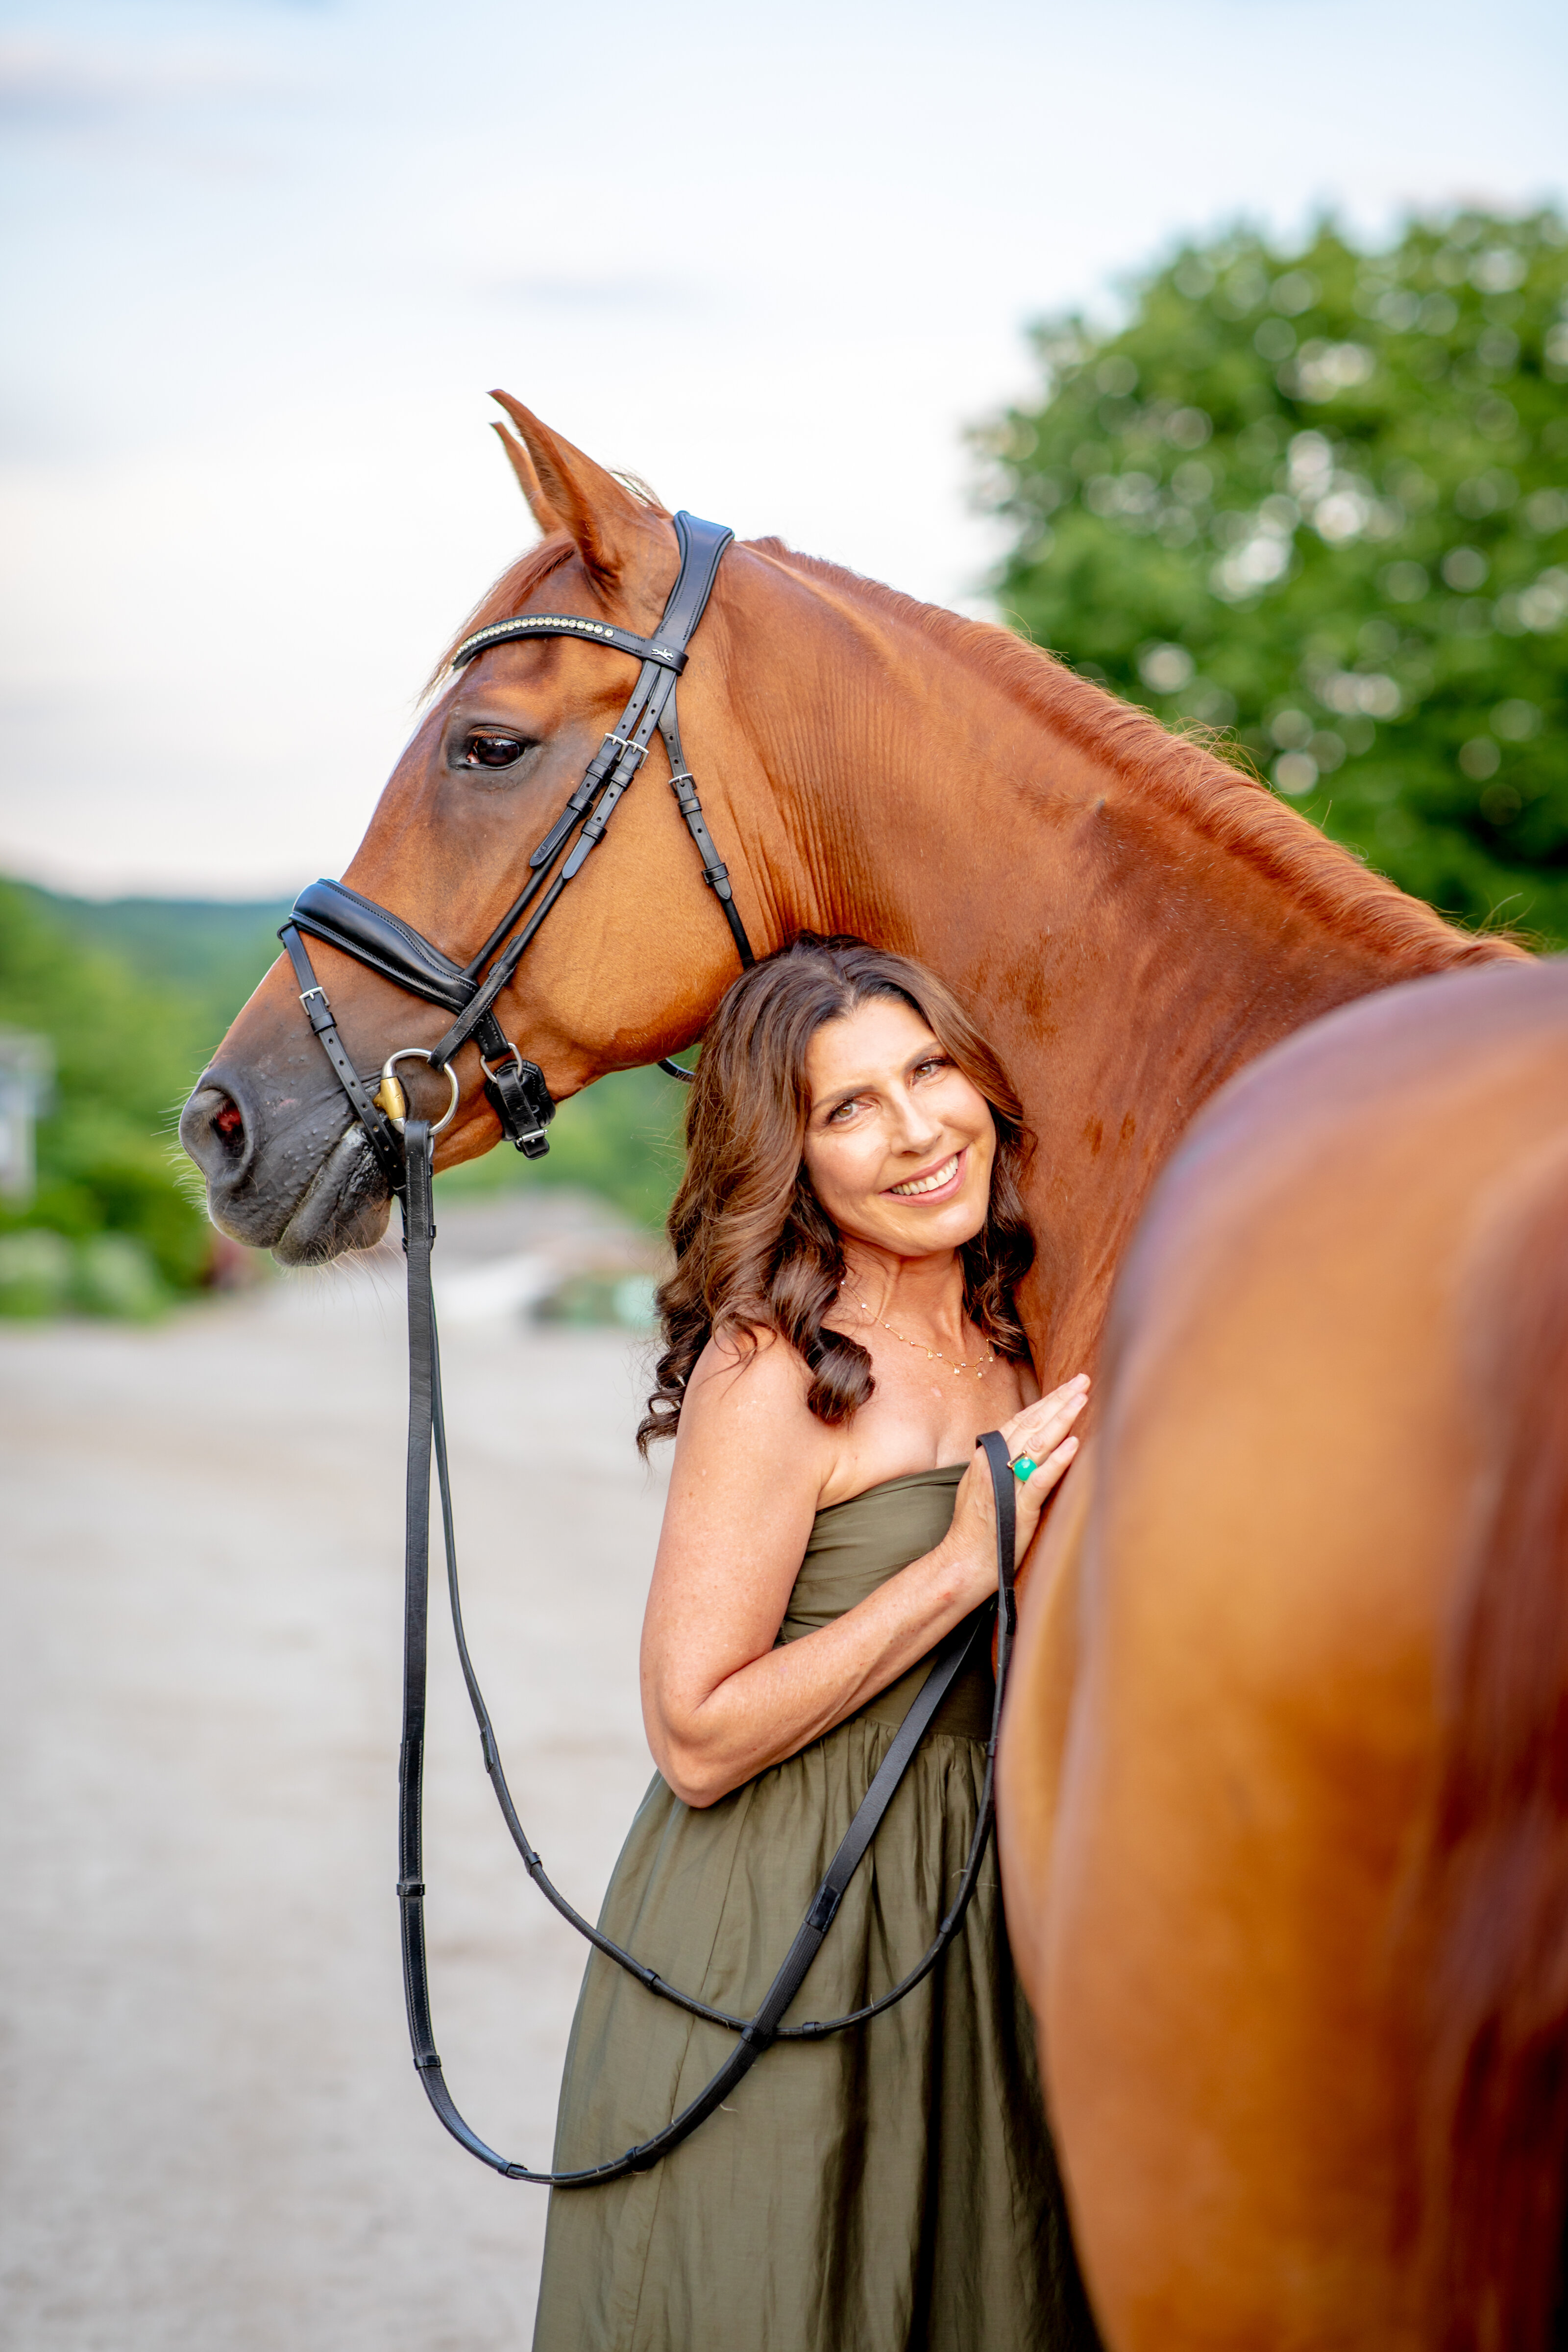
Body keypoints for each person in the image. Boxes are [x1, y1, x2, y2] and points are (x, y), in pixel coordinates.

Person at [532, 935, 1099, 2352]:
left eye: (929, 1071)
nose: (917, 1131)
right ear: (791, 1159)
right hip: (784, 1908)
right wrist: (957, 1567)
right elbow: (696, 1733)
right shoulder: (776, 1365)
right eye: (850, 1108)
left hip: (977, 1908)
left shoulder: (1024, 1329)